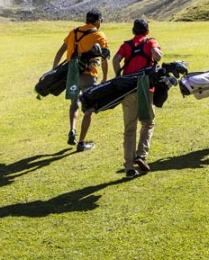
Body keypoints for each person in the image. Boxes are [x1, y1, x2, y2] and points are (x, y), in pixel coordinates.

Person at [112, 18, 162, 178]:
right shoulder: (150, 42)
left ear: (133, 30)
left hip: (128, 89)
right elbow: (157, 56)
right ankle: (141, 155)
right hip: (145, 89)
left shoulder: (126, 45)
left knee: (129, 128)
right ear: (147, 31)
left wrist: (118, 75)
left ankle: (129, 167)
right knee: (148, 123)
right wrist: (157, 55)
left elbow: (115, 60)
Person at [52, 10, 109, 152]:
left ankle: (72, 129)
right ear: (97, 21)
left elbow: (60, 51)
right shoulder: (99, 35)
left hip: (72, 74)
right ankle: (81, 143)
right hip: (89, 74)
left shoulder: (74, 32)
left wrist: (54, 70)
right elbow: (104, 58)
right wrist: (105, 77)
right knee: (89, 109)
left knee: (74, 105)